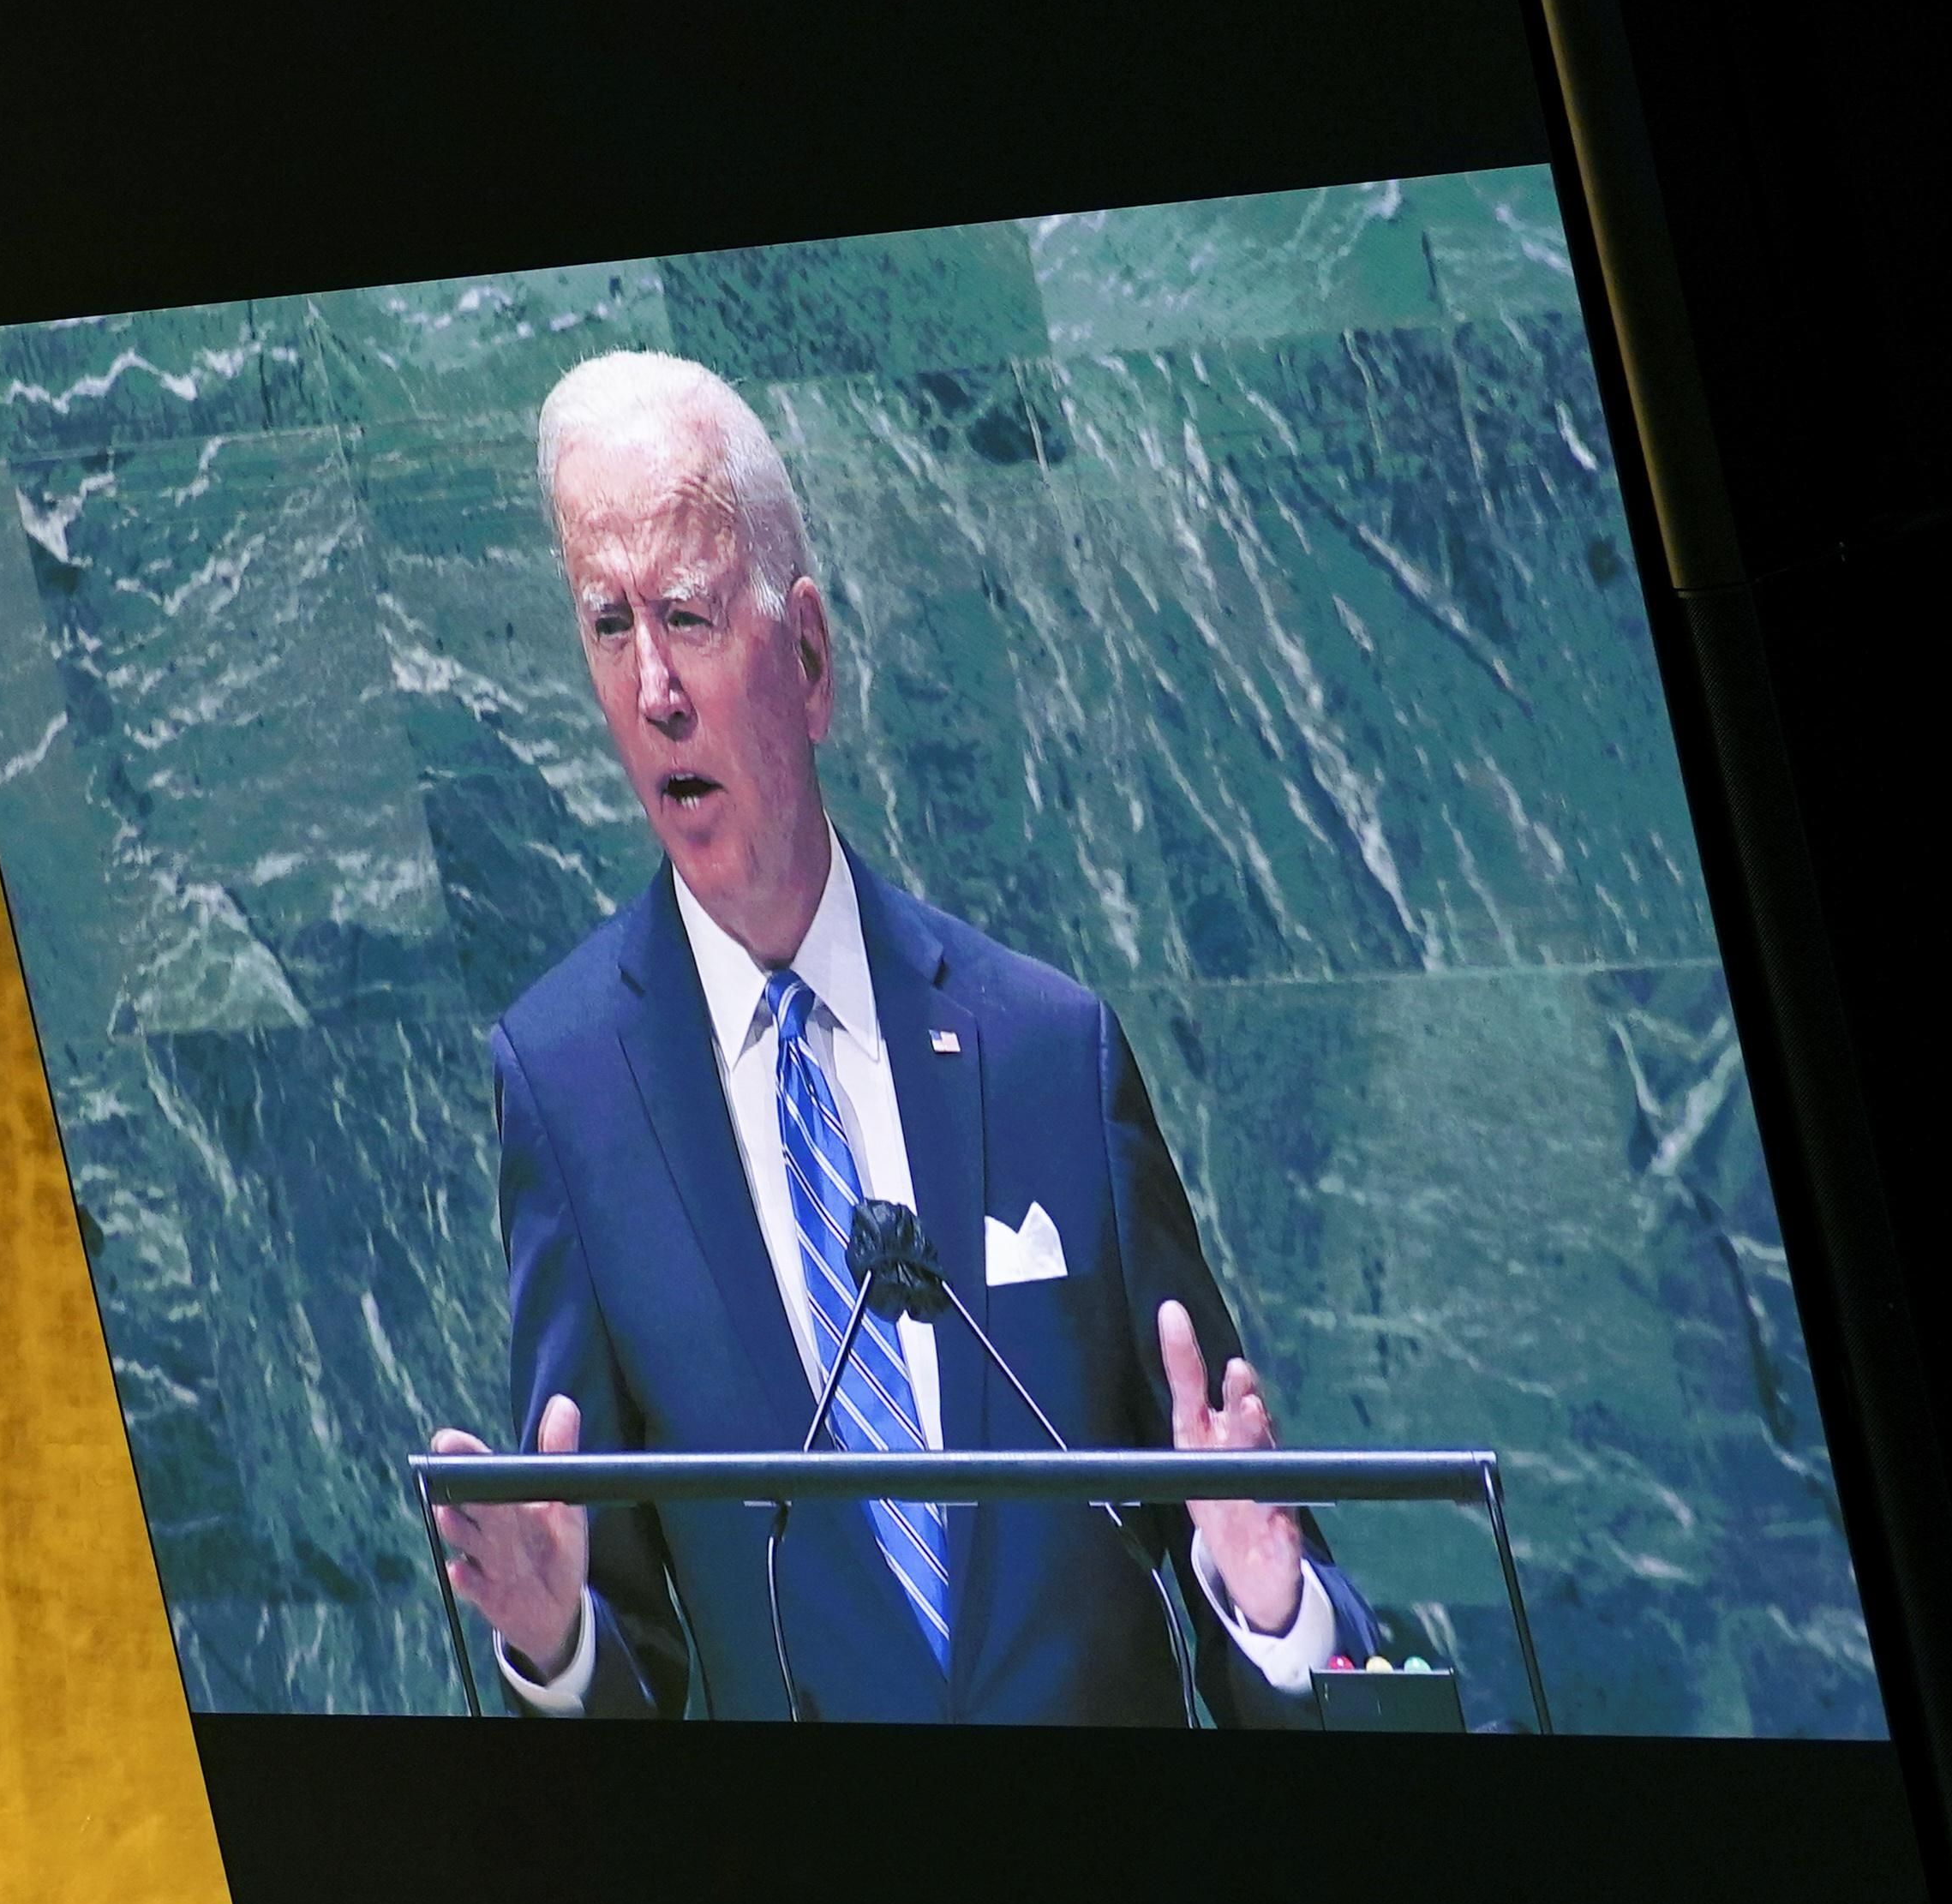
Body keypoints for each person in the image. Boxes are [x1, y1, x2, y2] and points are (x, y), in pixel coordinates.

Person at [427, 350, 1372, 1723]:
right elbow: (620, 1651)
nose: (653, 690)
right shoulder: (571, 1088)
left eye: (687, 615)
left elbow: (1253, 1544)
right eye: (608, 626)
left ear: (807, 658)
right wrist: (555, 1641)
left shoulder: (1046, 1051)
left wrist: (1273, 1603)